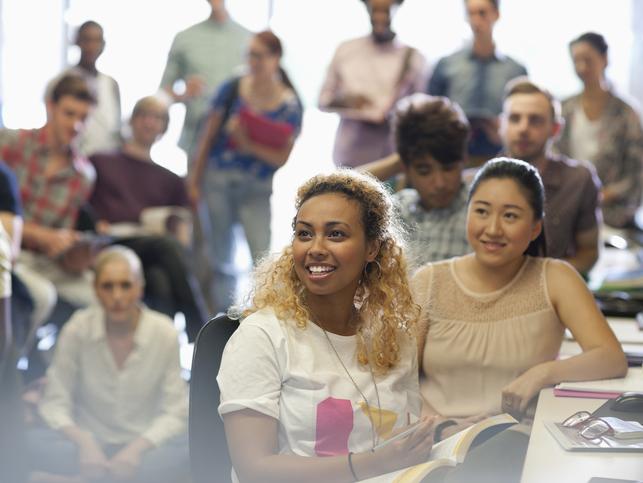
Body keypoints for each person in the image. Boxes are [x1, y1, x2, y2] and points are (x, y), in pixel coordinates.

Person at [413, 158, 627, 482]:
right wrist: (440, 423)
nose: (493, 228)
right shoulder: (429, 281)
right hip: (432, 441)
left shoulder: (555, 278)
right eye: (482, 211)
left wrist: (543, 372)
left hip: (516, 444)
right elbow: (396, 378)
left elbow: (610, 357)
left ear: (535, 227)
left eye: (510, 215)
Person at [217, 170, 436, 482]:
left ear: (371, 248)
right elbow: (254, 469)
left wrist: (442, 430)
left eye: (336, 234)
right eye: (305, 234)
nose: (315, 248)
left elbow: (401, 436)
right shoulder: (263, 336)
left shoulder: (392, 336)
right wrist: (371, 464)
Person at [28, 246, 189, 483]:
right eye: (107, 286)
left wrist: (136, 450)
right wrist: (85, 444)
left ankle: (89, 477)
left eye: (125, 285)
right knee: (25, 442)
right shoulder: (77, 329)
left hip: (146, 446)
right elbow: (55, 402)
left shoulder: (164, 331)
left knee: (191, 450)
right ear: (95, 289)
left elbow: (176, 411)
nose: (117, 296)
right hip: (88, 444)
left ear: (140, 289)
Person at [188, 30, 303, 314]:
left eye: (258, 55)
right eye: (249, 54)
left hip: (257, 186)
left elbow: (281, 158)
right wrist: (194, 179)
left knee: (262, 257)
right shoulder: (233, 88)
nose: (252, 61)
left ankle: (263, 317)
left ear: (275, 59)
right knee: (220, 258)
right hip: (218, 179)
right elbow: (207, 134)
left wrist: (247, 144)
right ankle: (222, 319)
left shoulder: (290, 103)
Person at [89, 95, 208, 341]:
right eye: (144, 115)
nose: (150, 123)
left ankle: (156, 355)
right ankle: (201, 331)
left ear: (164, 128)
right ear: (132, 121)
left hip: (154, 250)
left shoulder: (172, 180)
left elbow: (181, 229)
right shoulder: (101, 162)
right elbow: (80, 205)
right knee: (166, 246)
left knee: (160, 280)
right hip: (112, 241)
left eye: (158, 119)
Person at [0, 73, 98, 332]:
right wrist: (42, 236)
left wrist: (71, 253)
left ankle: (54, 365)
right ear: (50, 107)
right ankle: (13, 367)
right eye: (69, 114)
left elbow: (57, 238)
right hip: (7, 251)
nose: (76, 125)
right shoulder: (12, 143)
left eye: (84, 118)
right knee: (43, 296)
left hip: (44, 261)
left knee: (100, 293)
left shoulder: (84, 175)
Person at [500, 78, 602, 274]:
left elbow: (589, 252)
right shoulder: (477, 182)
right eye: (514, 118)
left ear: (555, 129)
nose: (523, 128)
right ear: (501, 124)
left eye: (535, 120)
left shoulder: (579, 180)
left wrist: (544, 281)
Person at [361, 94, 471, 267]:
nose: (440, 183)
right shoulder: (397, 210)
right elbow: (337, 190)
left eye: (448, 168)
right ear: (406, 168)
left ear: (463, 160)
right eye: (424, 171)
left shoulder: (480, 211)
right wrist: (401, 159)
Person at [318, 0, 428, 167]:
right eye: (375, 9)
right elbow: (323, 100)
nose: (380, 16)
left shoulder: (412, 57)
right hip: (348, 156)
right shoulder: (346, 50)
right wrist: (350, 101)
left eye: (386, 10)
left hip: (390, 158)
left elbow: (420, 111)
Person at [555, 32, 643, 228]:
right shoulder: (564, 109)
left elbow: (636, 174)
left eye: (588, 60)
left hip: (614, 215)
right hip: (568, 209)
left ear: (604, 59)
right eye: (576, 60)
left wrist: (601, 196)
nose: (582, 67)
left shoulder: (627, 114)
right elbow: (554, 157)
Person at [428, 0, 527, 165]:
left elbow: (524, 114)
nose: (476, 20)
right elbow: (431, 113)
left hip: (502, 157)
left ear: (496, 14)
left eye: (482, 13)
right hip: (454, 157)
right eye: (470, 13)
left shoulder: (515, 70)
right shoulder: (446, 65)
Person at [160, 0, 251, 159]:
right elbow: (163, 93)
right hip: (196, 138)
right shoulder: (185, 38)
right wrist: (184, 93)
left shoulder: (250, 40)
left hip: (241, 143)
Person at [47, 20, 122, 157]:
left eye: (96, 41)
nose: (91, 46)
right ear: (77, 41)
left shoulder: (110, 84)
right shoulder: (59, 82)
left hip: (105, 160)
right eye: (87, 40)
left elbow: (115, 128)